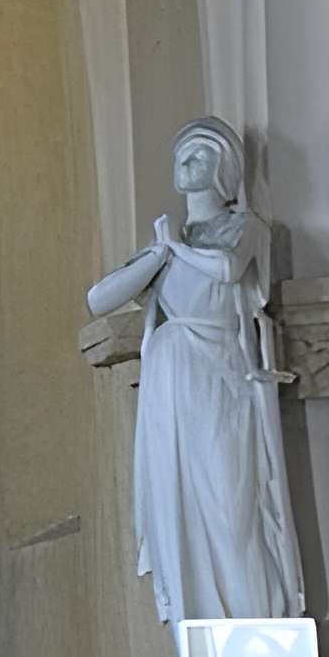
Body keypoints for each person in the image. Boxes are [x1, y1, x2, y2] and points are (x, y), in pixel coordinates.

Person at [85, 117, 305, 623]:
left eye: (203, 154)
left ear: (225, 171)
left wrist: (177, 250)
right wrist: (159, 253)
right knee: (175, 506)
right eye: (183, 152)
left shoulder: (242, 228)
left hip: (218, 374)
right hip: (168, 381)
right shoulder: (164, 245)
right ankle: (196, 628)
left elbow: (228, 268)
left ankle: (256, 624)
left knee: (232, 503)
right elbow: (99, 298)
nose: (189, 161)